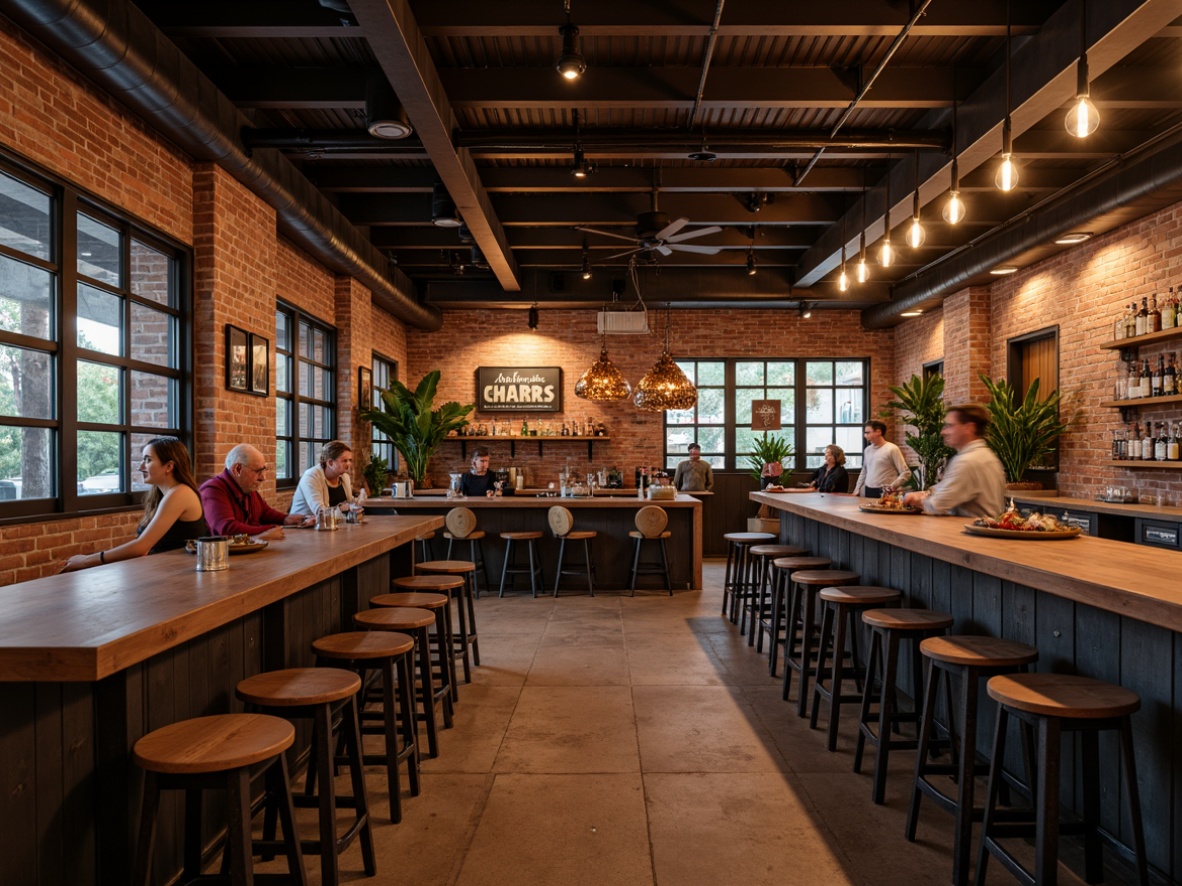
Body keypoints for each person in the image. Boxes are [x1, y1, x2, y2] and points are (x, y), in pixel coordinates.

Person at [61, 436, 208, 572]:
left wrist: (87, 561)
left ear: (169, 466)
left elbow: (141, 547)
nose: (141, 467)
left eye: (148, 460)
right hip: (163, 572)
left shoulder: (180, 493)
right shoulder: (167, 493)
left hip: (177, 579)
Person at [903, 404, 1006, 519]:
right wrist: (925, 494)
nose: (943, 432)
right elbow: (949, 490)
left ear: (969, 428)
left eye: (949, 426)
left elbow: (937, 505)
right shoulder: (988, 456)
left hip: (966, 533)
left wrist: (918, 500)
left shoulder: (967, 461)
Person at [200, 444, 313, 538]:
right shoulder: (213, 490)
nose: (263, 478)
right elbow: (226, 528)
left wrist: (285, 519)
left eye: (264, 471)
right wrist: (267, 531)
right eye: (258, 471)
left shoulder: (246, 488)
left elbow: (264, 513)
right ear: (238, 469)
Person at [289, 440, 356, 516]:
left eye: (350, 460)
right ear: (330, 463)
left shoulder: (344, 477)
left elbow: (349, 503)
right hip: (304, 525)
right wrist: (342, 508)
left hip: (335, 524)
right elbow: (320, 512)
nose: (348, 464)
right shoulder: (311, 477)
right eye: (344, 461)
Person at [852, 420, 912, 498]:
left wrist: (892, 486)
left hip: (886, 492)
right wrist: (856, 489)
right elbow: (864, 471)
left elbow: (906, 473)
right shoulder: (867, 450)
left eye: (868, 432)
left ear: (878, 432)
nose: (865, 436)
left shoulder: (892, 449)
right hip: (868, 491)